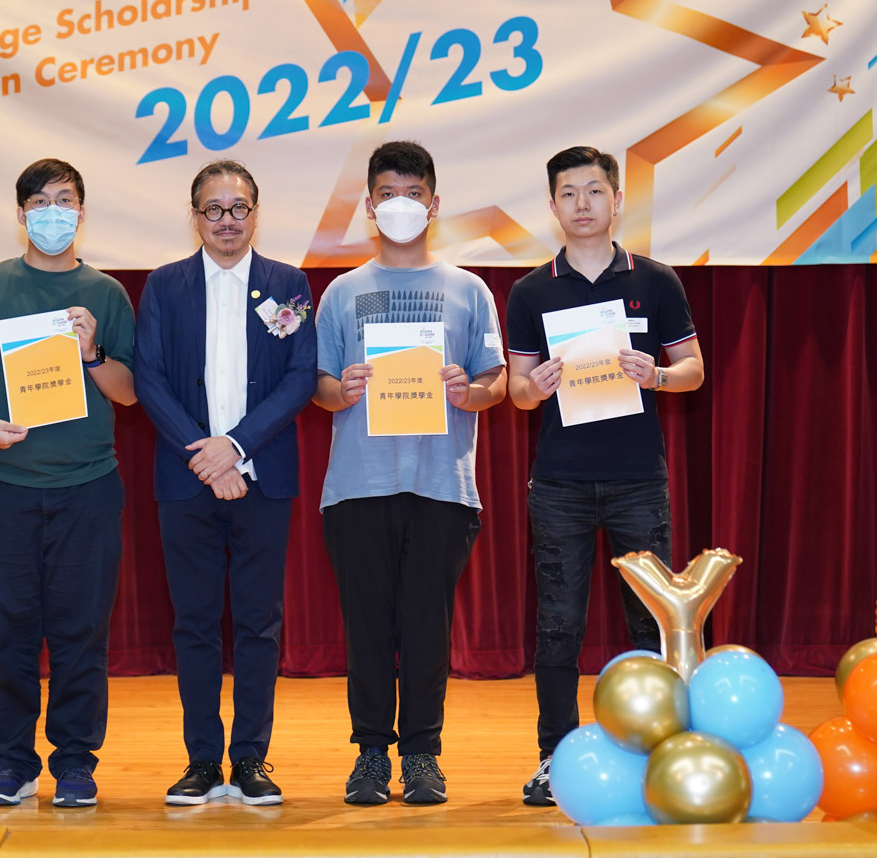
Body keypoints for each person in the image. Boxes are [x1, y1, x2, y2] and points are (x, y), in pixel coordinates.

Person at [0, 158, 137, 808]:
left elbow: (129, 393)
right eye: (40, 202)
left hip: (88, 487)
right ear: (20, 214)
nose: (53, 213)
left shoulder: (106, 294)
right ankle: (11, 763)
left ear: (82, 212)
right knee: (7, 630)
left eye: (65, 200)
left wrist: (93, 353)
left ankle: (75, 762)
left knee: (82, 633)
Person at [504, 145, 704, 806]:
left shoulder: (657, 280)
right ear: (553, 205)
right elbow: (516, 391)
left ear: (617, 199)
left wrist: (659, 375)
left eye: (594, 191)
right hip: (560, 483)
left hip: (637, 480)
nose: (582, 204)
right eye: (569, 193)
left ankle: (658, 751)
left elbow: (694, 369)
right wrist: (535, 386)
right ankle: (554, 757)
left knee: (650, 622)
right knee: (558, 626)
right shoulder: (531, 290)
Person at [312, 140, 508, 806]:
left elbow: (495, 381)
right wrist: (341, 389)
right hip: (358, 485)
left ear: (434, 203)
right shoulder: (341, 292)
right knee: (366, 625)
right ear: (369, 206)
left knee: (427, 625)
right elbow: (318, 385)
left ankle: (422, 753)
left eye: (414, 194)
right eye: (388, 194)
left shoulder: (469, 289)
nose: (401, 205)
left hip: (442, 485)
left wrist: (468, 392)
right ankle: (370, 753)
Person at [133, 160, 317, 806]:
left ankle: (251, 759)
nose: (227, 220)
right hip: (187, 480)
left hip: (262, 478)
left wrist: (235, 447)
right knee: (195, 622)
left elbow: (300, 377)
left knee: (260, 623)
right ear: (195, 216)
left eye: (238, 208)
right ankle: (202, 761)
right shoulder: (165, 285)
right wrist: (206, 456)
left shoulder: (288, 283)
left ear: (256, 213)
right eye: (214, 209)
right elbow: (149, 377)